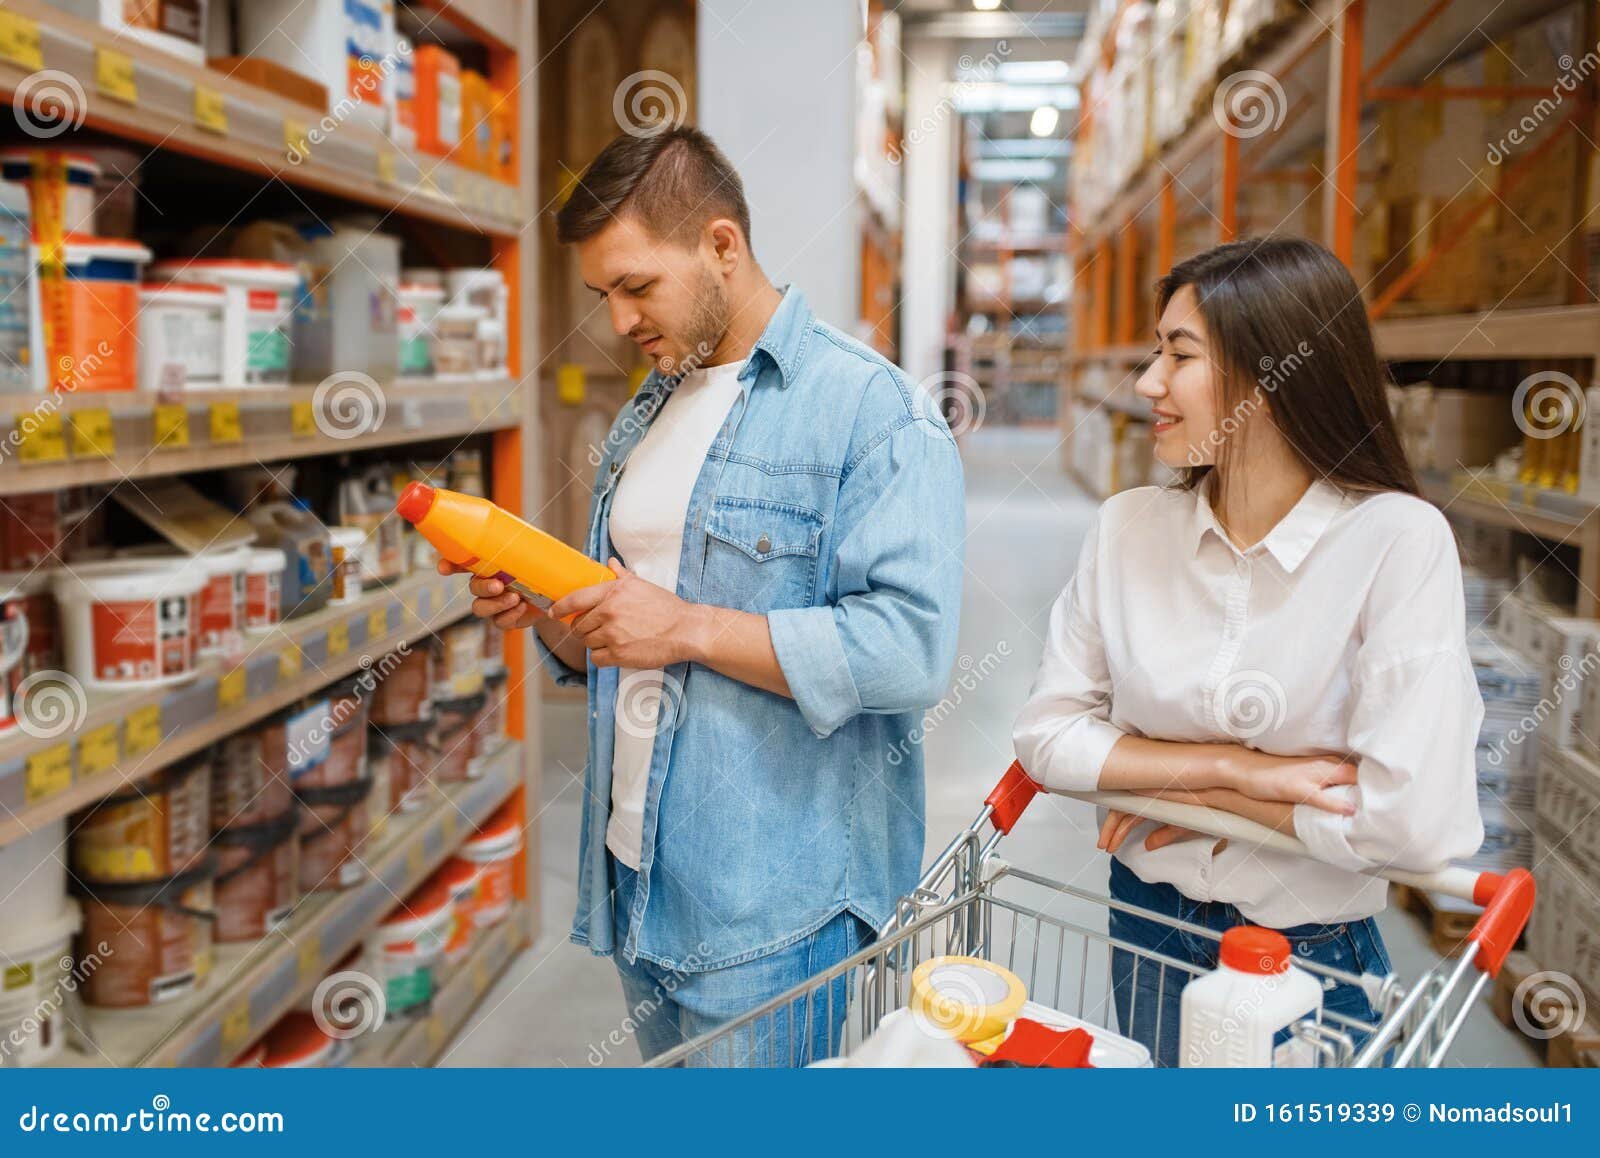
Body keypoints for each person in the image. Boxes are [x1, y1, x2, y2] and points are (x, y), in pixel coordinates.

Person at [442, 127, 965, 1065]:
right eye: (604, 295)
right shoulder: (651, 407)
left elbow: (908, 651)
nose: (619, 321)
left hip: (772, 905)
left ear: (723, 245)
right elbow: (622, 634)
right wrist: (552, 615)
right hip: (642, 878)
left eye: (637, 287)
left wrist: (682, 627)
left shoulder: (871, 410)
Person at [1013, 238, 1484, 1067]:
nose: (1148, 382)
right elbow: (1048, 740)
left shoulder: (1395, 544)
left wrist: (1161, 781)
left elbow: (1411, 825)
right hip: (1148, 928)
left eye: (1179, 354)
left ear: (1271, 380)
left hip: (1308, 959)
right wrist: (1236, 770)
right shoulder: (1127, 528)